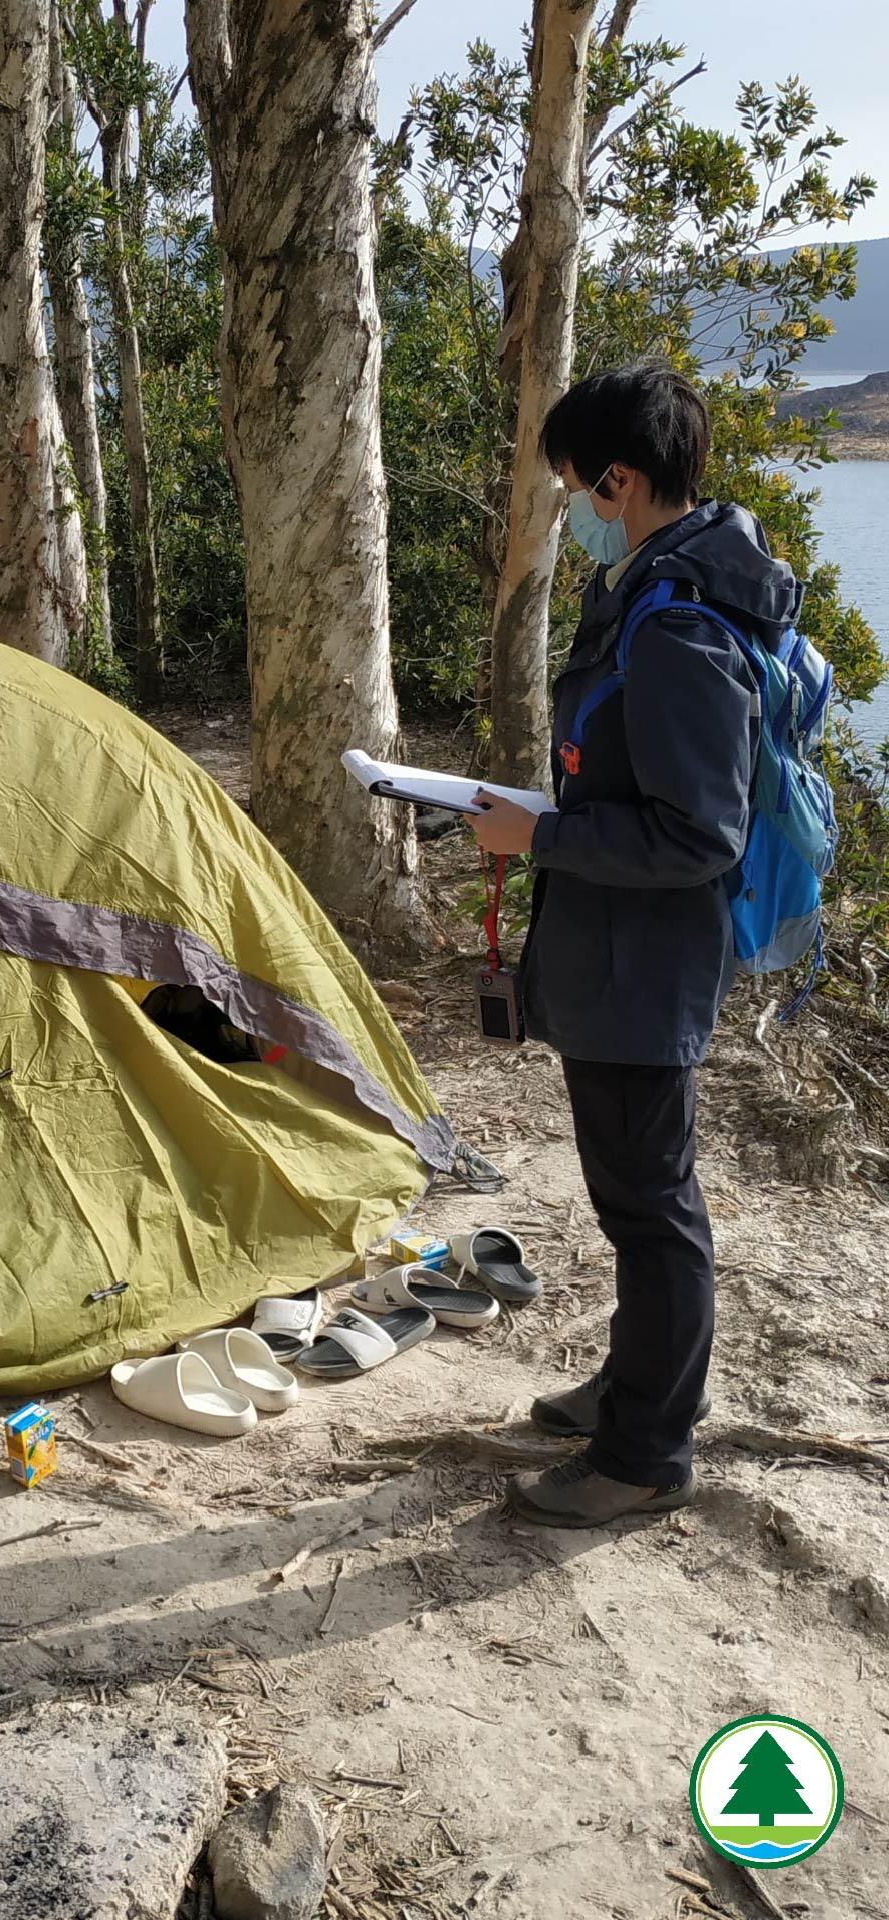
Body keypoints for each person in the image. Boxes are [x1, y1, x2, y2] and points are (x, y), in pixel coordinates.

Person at [470, 364, 795, 1527]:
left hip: (643, 973)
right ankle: (632, 1387)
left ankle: (644, 1456)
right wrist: (541, 812)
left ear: (620, 477)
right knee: (638, 1199)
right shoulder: (672, 582)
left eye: (577, 482)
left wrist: (545, 832)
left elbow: (697, 833)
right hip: (619, 957)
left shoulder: (681, 626)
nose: (576, 502)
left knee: (653, 1210)